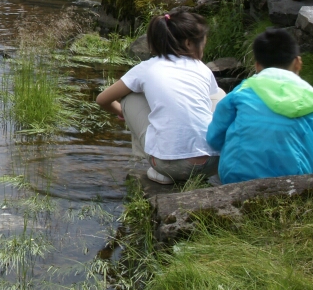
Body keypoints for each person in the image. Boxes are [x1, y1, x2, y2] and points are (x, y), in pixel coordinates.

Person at [96, 11, 223, 185]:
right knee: (218, 94)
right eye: (203, 43)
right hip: (214, 163)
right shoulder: (202, 68)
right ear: (188, 43)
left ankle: (160, 170)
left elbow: (102, 99)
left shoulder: (146, 68)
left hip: (170, 167)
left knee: (129, 96)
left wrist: (124, 113)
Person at [204, 28, 313, 184]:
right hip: (295, 180)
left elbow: (213, 137)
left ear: (258, 66)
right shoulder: (312, 99)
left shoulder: (241, 92)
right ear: (298, 63)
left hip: (236, 176)